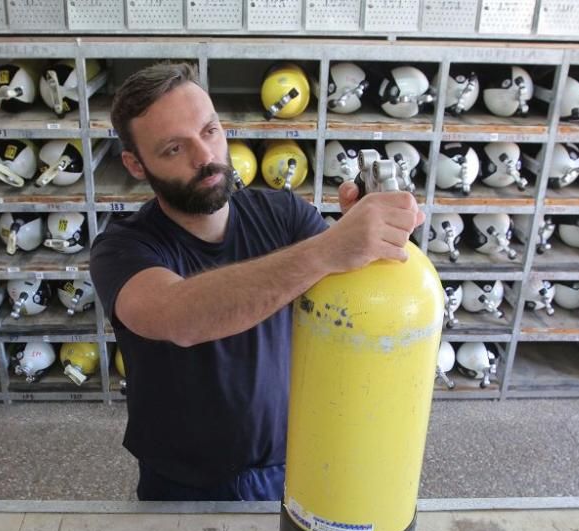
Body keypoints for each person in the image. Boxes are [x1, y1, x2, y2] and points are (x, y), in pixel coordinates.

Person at [90, 62, 423, 501]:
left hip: (293, 464)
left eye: (209, 131)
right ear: (135, 164)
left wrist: (376, 231)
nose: (204, 157)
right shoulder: (122, 248)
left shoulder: (284, 215)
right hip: (181, 483)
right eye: (174, 149)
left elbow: (353, 291)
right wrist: (327, 249)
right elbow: (179, 315)